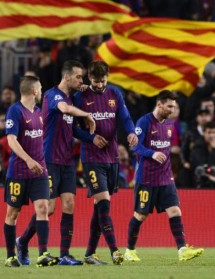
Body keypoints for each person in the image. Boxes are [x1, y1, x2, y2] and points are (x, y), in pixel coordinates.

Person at [15, 60, 104, 266]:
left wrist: (92, 138)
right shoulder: (52, 95)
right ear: (67, 77)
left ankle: (65, 254)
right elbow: (64, 109)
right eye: (79, 77)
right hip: (49, 160)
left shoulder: (71, 99)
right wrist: (87, 114)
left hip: (66, 161)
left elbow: (72, 129)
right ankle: (23, 241)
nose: (81, 81)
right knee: (49, 207)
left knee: (70, 204)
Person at [123, 90, 205, 263]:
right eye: (169, 106)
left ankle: (182, 249)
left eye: (174, 107)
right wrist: (152, 153)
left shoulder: (169, 124)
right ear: (159, 104)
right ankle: (129, 250)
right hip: (146, 178)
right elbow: (135, 147)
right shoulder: (144, 122)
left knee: (175, 210)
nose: (172, 110)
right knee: (140, 215)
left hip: (166, 178)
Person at [73, 61, 138, 265]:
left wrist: (131, 132)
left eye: (102, 81)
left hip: (112, 157)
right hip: (91, 158)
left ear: (108, 77)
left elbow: (125, 117)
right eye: (95, 81)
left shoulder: (115, 93)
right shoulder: (80, 96)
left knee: (100, 208)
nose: (99, 85)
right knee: (104, 202)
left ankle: (90, 254)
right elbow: (73, 128)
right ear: (89, 78)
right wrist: (90, 137)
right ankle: (114, 250)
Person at [2, 75, 58, 268]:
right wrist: (27, 160)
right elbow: (11, 140)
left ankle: (43, 254)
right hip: (18, 171)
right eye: (40, 88)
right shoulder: (15, 111)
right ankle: (10, 256)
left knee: (43, 208)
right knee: (13, 213)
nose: (41, 91)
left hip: (40, 171)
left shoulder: (39, 112)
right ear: (34, 91)